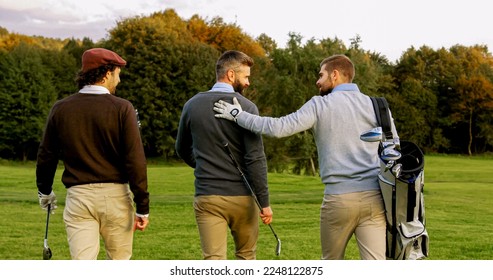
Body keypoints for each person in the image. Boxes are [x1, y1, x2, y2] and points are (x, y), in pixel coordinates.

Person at [213, 54, 399, 260]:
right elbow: (395, 150)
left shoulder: (319, 105)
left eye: (321, 75)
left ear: (335, 75)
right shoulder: (378, 106)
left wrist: (238, 115)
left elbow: (277, 128)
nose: (318, 81)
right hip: (374, 199)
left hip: (339, 200)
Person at [36, 48, 150, 260]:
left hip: (79, 199)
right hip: (116, 198)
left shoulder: (61, 108)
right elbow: (135, 160)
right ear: (106, 73)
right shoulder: (123, 108)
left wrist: (44, 191)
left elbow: (46, 155)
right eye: (118, 73)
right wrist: (142, 206)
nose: (119, 79)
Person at [175, 50, 273, 260]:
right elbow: (255, 158)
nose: (248, 82)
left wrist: (203, 165)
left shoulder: (192, 105)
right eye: (245, 77)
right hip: (243, 199)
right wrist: (264, 202)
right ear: (230, 75)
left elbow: (181, 148)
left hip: (208, 195)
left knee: (213, 261)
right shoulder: (247, 108)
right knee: (246, 257)